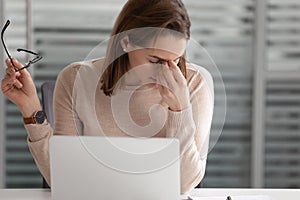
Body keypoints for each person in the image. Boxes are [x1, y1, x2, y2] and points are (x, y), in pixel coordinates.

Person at [1, 0, 213, 194]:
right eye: (155, 60)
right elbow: (64, 179)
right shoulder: (76, 79)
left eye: (175, 61)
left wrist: (180, 111)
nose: (167, 73)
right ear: (126, 42)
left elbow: (184, 184)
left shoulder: (193, 83)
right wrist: (30, 109)